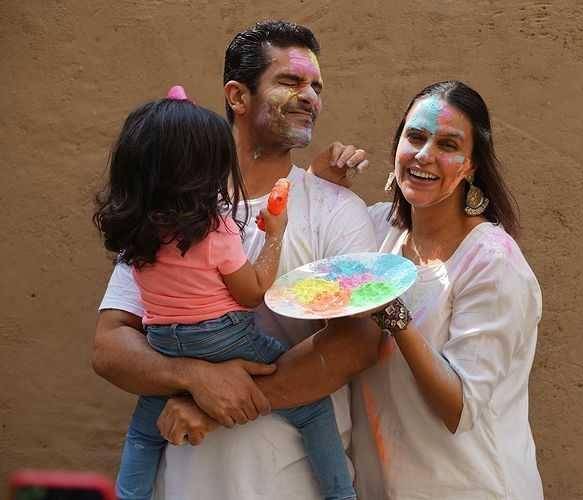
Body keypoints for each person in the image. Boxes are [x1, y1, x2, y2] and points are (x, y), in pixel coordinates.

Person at [93, 21, 382, 499]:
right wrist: (192, 377)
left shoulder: (336, 209)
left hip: (293, 485)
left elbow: (358, 341)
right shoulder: (172, 208)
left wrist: (213, 404)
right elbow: (109, 345)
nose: (310, 97)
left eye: (317, 86)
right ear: (237, 96)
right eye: (291, 81)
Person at [344, 81, 544, 499]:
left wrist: (395, 316)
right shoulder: (378, 230)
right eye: (415, 137)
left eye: (448, 144)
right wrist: (322, 184)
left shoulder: (492, 263)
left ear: (471, 166)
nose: (424, 155)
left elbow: (460, 408)